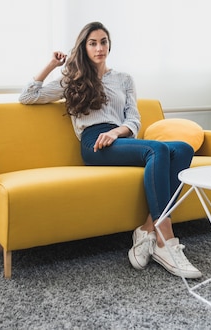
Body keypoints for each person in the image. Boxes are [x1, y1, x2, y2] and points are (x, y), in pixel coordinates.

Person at [18, 21, 201, 279]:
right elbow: (27, 96)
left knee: (182, 148)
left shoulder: (124, 79)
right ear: (84, 47)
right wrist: (51, 65)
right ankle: (165, 240)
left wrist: (116, 132)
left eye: (103, 41)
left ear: (109, 45)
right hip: (94, 144)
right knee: (158, 150)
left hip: (118, 138)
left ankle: (147, 229)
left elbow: (134, 119)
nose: (99, 47)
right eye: (92, 43)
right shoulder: (71, 80)